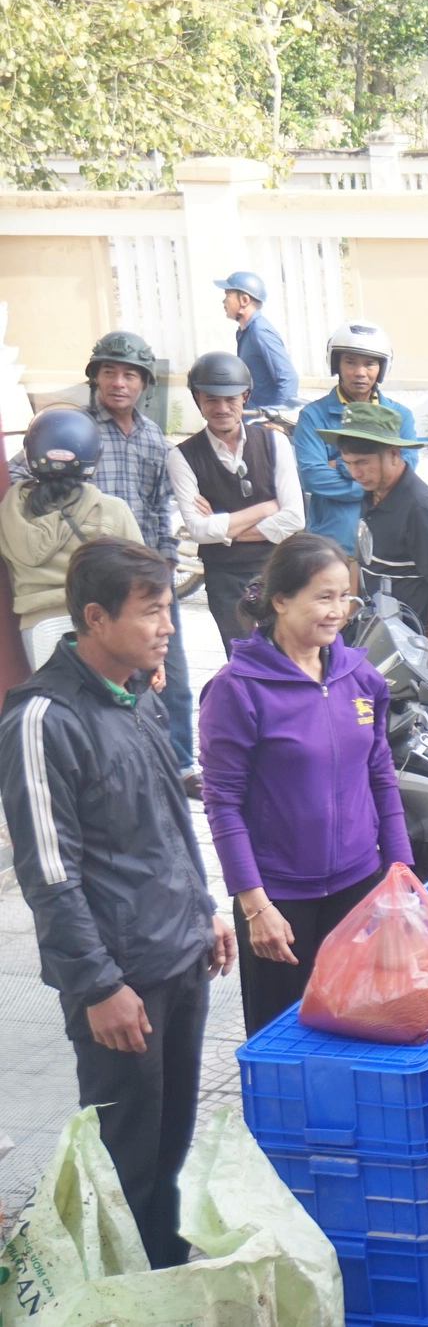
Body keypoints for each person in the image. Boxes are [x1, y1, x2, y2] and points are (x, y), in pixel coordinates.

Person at [0, 538, 233, 1268]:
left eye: (169, 608)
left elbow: (166, 819)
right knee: (123, 1160)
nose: (168, 625)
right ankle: (122, 1297)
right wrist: (99, 985)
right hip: (120, 982)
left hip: (179, 954)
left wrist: (206, 909)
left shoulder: (138, 694)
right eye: (153, 611)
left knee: (168, 1149)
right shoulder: (42, 720)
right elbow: (49, 873)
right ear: (94, 617)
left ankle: (167, 1284)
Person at [198, 533, 413, 1036]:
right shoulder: (236, 689)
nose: (338, 610)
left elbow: (381, 775)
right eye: (323, 596)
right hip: (280, 901)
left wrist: (400, 870)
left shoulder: (362, 679)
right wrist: (256, 907)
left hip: (358, 886)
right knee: (285, 1043)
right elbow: (222, 804)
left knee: (360, 1030)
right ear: (280, 601)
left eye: (345, 596)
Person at [6, 333, 198, 792]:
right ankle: (123, 772)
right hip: (97, 586)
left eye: (129, 374)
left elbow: (157, 508)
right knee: (111, 688)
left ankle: (180, 764)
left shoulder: (154, 439)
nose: (118, 382)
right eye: (108, 372)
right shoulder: (69, 427)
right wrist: (62, 496)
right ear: (94, 379)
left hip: (144, 575)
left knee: (171, 681)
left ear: (144, 384)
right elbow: (23, 470)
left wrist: (164, 569)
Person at [167, 351, 305, 648]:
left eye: (230, 399)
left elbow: (294, 518)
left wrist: (224, 531)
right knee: (242, 662)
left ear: (245, 397)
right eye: (211, 399)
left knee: (288, 656)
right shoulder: (182, 457)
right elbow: (198, 530)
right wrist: (266, 508)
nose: (222, 408)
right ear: (197, 400)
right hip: (223, 578)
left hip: (276, 571)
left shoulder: (274, 442)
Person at [0, 409, 143, 665]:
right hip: (98, 622)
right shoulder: (111, 510)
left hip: (37, 629)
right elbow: (142, 578)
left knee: (57, 702)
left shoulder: (8, 515)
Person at [327, 403, 428, 675]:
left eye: (363, 463)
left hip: (415, 641)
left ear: (393, 454)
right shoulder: (373, 491)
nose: (355, 473)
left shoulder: (421, 509)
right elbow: (359, 561)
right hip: (375, 634)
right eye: (348, 463)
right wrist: (345, 620)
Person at [292, 320, 419, 554]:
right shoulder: (313, 416)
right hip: (332, 542)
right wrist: (377, 482)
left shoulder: (401, 416)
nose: (360, 372)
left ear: (381, 367)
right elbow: (312, 476)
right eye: (350, 362)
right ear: (337, 364)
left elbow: (404, 473)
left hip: (389, 539)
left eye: (369, 364)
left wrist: (339, 465)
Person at [216, 270, 299, 410]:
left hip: (263, 425)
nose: (224, 301)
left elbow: (289, 378)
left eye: (228, 295)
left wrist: (276, 418)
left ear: (244, 300)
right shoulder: (245, 332)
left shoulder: (260, 332)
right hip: (251, 419)